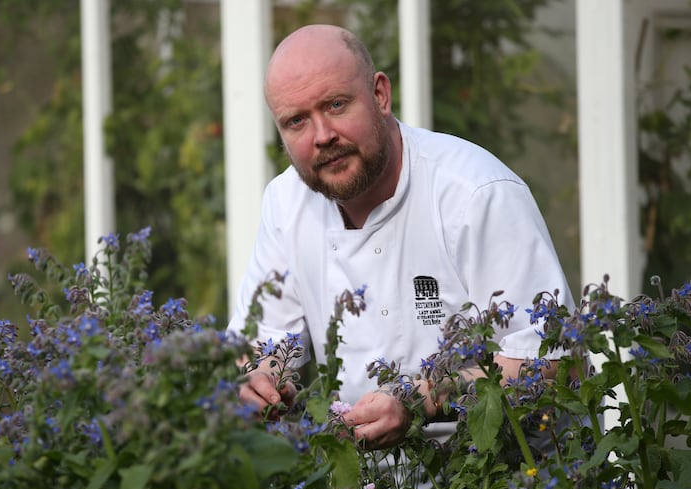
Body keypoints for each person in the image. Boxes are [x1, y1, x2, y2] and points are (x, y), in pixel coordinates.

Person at [227, 24, 573, 450]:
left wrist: (417, 399)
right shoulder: (285, 203)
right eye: (296, 121)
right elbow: (264, 340)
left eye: (336, 105)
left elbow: (553, 363)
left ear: (380, 96)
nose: (322, 136)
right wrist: (260, 377)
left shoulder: (475, 193)